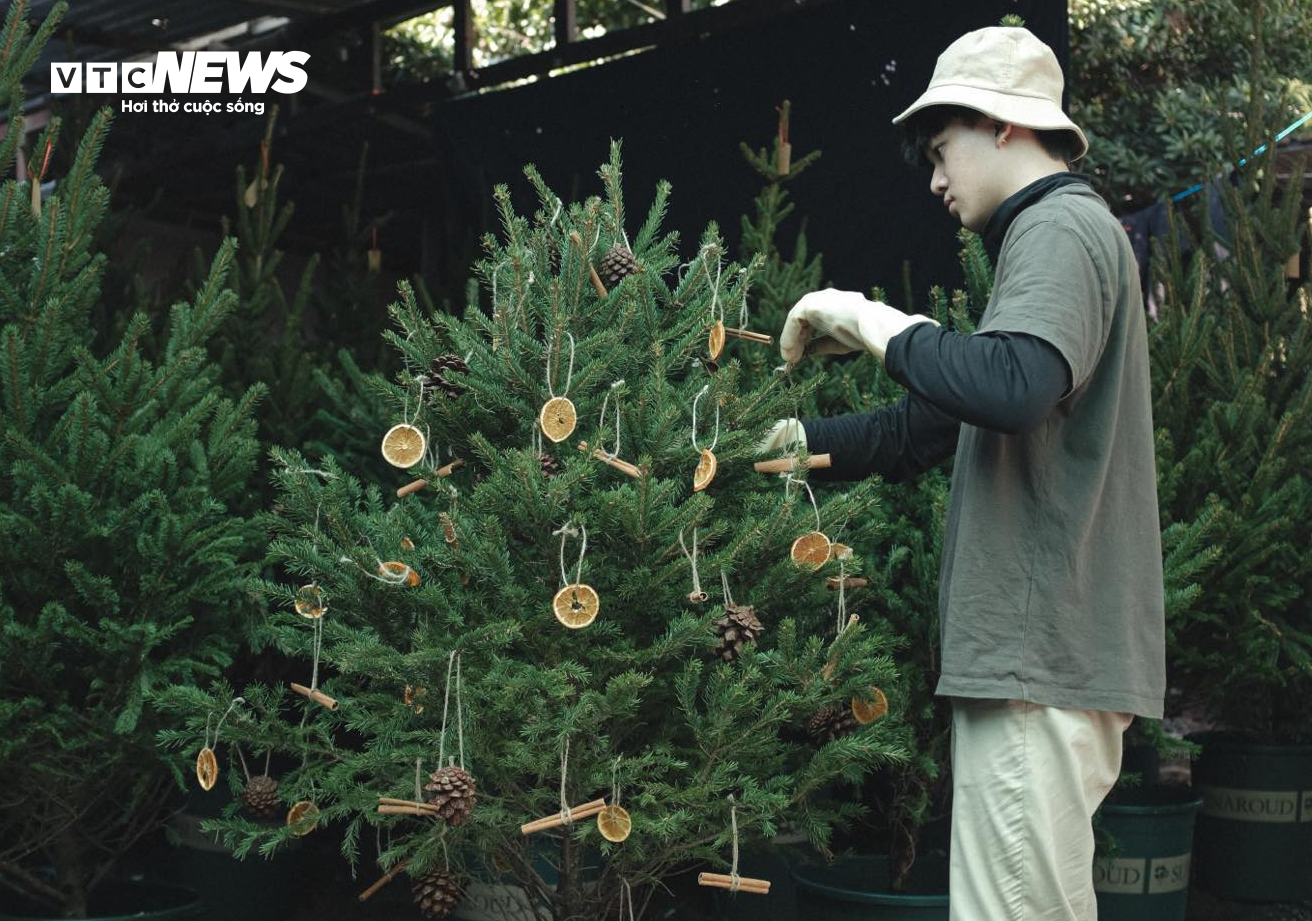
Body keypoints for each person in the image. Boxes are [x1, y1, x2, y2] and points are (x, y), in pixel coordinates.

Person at [760, 25, 1165, 921]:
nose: (936, 180)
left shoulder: (1059, 226)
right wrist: (791, 444)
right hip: (1044, 659)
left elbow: (1009, 387)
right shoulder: (1060, 236)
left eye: (941, 150)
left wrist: (867, 318)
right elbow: (929, 426)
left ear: (1002, 123)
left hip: (1035, 656)